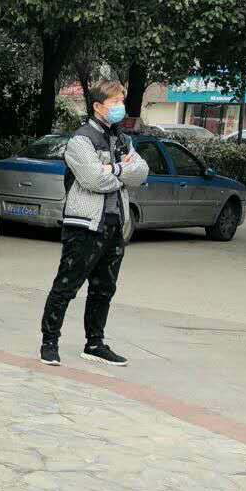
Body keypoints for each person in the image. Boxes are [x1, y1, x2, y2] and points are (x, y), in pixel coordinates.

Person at [39, 79, 147, 367]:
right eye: (115, 102)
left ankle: (95, 343)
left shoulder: (123, 139)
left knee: (104, 288)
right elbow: (92, 179)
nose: (120, 107)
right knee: (66, 285)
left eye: (122, 101)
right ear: (98, 106)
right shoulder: (81, 140)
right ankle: (49, 342)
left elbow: (142, 172)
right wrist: (122, 172)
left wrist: (113, 169)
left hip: (115, 223)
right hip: (84, 225)